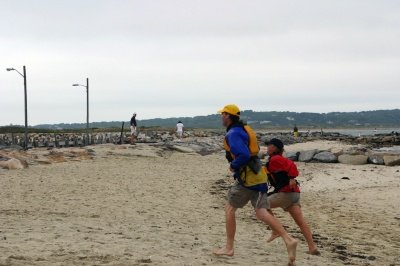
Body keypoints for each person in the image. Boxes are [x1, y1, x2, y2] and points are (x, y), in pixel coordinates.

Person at [213, 104, 298, 265]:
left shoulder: (233, 133)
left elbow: (244, 154)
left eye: (222, 114)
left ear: (227, 116)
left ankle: (229, 248)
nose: (220, 117)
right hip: (259, 175)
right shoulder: (243, 129)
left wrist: (234, 165)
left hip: (248, 178)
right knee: (261, 212)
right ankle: (288, 239)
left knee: (230, 208)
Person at [265, 138, 320, 256]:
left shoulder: (275, 159)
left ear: (274, 147)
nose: (267, 147)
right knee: (301, 222)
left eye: (268, 145)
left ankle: (275, 230)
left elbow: (291, 165)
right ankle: (312, 247)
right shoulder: (275, 159)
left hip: (286, 194)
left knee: (261, 205)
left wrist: (291, 177)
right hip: (294, 194)